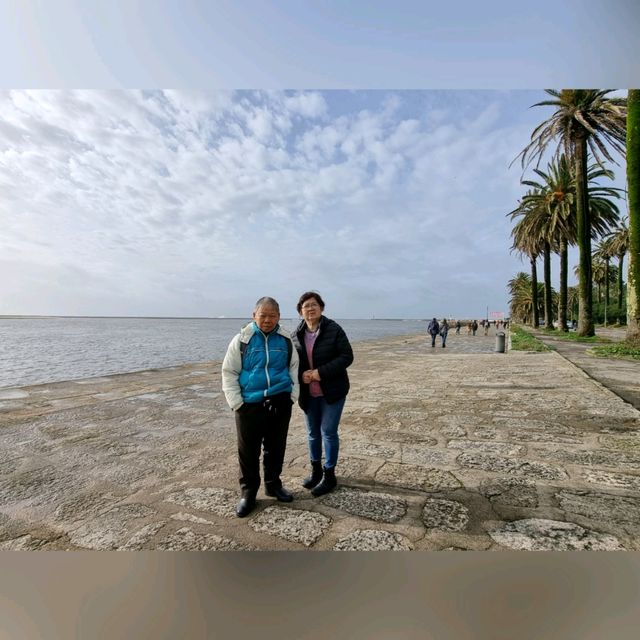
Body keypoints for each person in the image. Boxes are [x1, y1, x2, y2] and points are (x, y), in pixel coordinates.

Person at [222, 297, 300, 518]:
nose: (267, 320)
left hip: (280, 401)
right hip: (250, 404)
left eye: (272, 315)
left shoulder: (285, 340)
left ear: (279, 317)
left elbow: (294, 368)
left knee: (276, 448)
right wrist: (237, 403)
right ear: (254, 315)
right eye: (263, 315)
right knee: (248, 452)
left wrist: (292, 396)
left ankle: (273, 485)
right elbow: (229, 372)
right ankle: (248, 494)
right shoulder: (242, 340)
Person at [292, 292, 353, 497]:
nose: (310, 308)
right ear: (300, 311)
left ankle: (329, 475)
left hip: (332, 392)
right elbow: (292, 364)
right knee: (312, 433)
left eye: (314, 305)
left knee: (328, 431)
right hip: (308, 394)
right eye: (305, 306)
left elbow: (347, 356)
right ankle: (316, 470)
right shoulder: (296, 335)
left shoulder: (333, 329)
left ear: (321, 308)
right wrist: (301, 375)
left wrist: (320, 373)